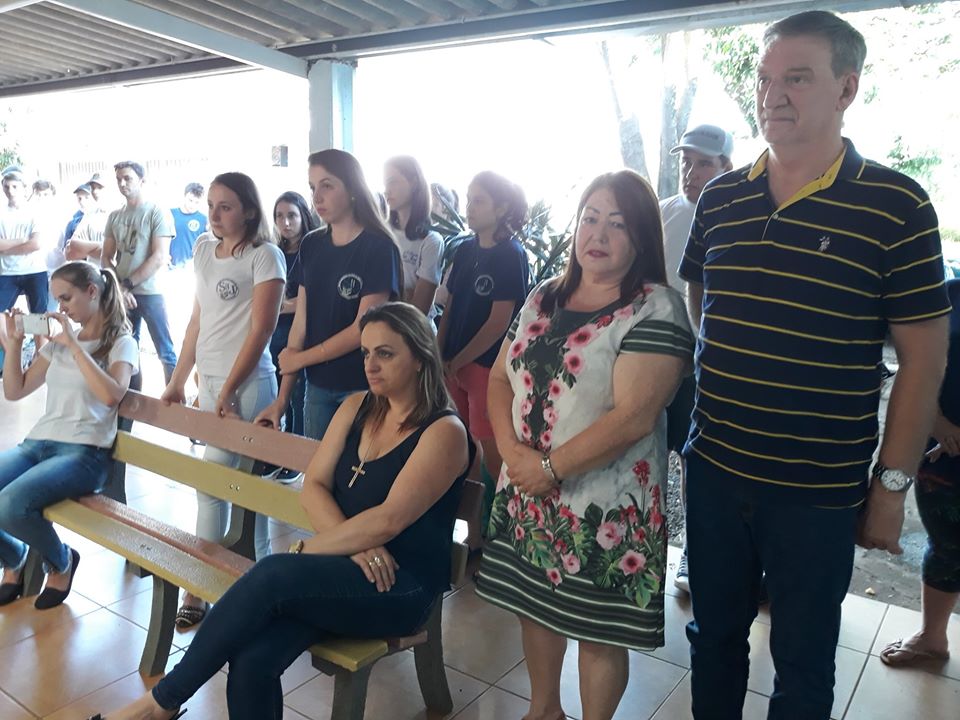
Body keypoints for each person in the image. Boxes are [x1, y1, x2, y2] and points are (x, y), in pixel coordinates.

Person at [678, 11, 951, 719]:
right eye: (765, 79)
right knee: (713, 639)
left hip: (817, 489)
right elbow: (700, 295)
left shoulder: (896, 204)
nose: (773, 95)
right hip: (715, 469)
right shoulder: (721, 197)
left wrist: (891, 487)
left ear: (846, 88)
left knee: (802, 660)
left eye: (797, 78)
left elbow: (924, 358)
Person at [90, 302, 473, 720]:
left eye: (385, 353)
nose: (370, 365)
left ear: (420, 357)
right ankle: (162, 704)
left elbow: (388, 521)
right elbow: (314, 488)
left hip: (399, 585)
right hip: (345, 566)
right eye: (365, 353)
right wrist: (352, 545)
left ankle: (161, 703)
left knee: (274, 572)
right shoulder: (357, 408)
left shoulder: (444, 432)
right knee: (252, 660)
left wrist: (309, 549)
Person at [476, 170, 694, 720]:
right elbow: (500, 378)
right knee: (534, 607)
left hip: (604, 508)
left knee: (599, 630)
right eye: (590, 218)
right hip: (527, 490)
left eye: (617, 224)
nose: (598, 234)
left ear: (641, 237)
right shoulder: (544, 295)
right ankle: (544, 710)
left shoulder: (657, 307)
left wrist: (547, 467)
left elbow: (634, 417)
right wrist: (513, 455)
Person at [161, 172, 285, 628]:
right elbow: (197, 321)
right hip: (212, 383)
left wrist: (230, 389)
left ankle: (201, 588)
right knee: (234, 488)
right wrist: (178, 380)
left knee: (221, 484)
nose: (214, 214)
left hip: (248, 387)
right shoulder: (202, 250)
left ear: (249, 210)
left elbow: (262, 329)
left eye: (226, 206)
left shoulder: (264, 256)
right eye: (211, 205)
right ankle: (246, 584)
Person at [0, 261, 137, 610]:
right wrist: (14, 343)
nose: (60, 308)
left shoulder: (121, 343)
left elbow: (112, 395)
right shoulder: (59, 344)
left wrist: (75, 345)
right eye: (57, 300)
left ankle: (60, 562)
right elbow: (15, 391)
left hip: (85, 453)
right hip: (38, 444)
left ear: (92, 292)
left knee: (11, 505)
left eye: (66, 298)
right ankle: (14, 557)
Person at [255, 149, 402, 441]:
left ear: (352, 188)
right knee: (316, 464)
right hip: (318, 385)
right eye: (312, 188)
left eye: (327, 185)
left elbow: (363, 328)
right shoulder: (312, 244)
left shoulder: (378, 247)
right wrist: (281, 401)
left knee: (360, 467)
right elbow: (301, 323)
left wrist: (302, 359)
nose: (317, 197)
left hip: (365, 383)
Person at [659, 124, 734, 594]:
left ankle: (693, 549)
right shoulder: (663, 212)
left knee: (696, 461)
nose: (691, 172)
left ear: (727, 165)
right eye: (687, 162)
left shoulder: (739, 214)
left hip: (705, 364)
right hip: (653, 358)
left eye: (703, 163)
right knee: (645, 452)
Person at [437, 170, 529, 526]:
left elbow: (498, 322)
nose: (469, 208)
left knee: (492, 451)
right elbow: (450, 306)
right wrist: (440, 352)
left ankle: (508, 526)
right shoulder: (465, 250)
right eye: (468, 199)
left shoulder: (510, 255)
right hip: (454, 365)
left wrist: (460, 359)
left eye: (479, 201)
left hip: (486, 367)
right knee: (466, 449)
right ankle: (476, 532)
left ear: (501, 208)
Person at [880, 277, 959, 668]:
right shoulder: (949, 294)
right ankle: (932, 638)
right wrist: (937, 421)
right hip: (944, 452)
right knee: (947, 546)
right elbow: (919, 363)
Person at [101, 161, 178, 384]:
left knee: (165, 350)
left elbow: (159, 256)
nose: (122, 183)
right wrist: (119, 289)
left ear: (142, 181)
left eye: (128, 178)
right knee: (127, 351)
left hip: (151, 291)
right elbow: (106, 257)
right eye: (118, 179)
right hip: (122, 293)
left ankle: (174, 400)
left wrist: (126, 285)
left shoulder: (157, 212)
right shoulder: (114, 216)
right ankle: (132, 399)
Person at [265, 190, 320, 482]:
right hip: (272, 332)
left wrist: (279, 305)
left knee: (297, 395)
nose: (285, 223)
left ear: (303, 217)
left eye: (291, 216)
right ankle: (275, 453)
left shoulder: (313, 250)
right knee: (276, 393)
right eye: (279, 216)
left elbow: (307, 301)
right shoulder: (272, 251)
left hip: (300, 332)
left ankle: (295, 458)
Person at [384, 155, 444, 320]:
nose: (387, 190)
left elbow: (418, 309)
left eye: (393, 182)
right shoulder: (382, 233)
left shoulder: (431, 240)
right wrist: (406, 293)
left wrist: (389, 293)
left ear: (414, 182)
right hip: (382, 325)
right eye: (385, 184)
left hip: (415, 330)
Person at [0, 169, 46, 371]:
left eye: (15, 186)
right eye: (6, 186)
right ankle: (13, 357)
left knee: (37, 316)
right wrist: (21, 241)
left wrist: (6, 248)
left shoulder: (34, 211)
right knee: (1, 315)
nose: (10, 191)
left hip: (34, 270)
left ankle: (40, 359)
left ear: (24, 188)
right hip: (6, 272)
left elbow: (35, 244)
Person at [169, 182, 208, 268]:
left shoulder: (204, 220)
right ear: (184, 196)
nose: (192, 205)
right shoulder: (170, 214)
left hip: (191, 268)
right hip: (169, 266)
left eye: (197, 202)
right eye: (190, 200)